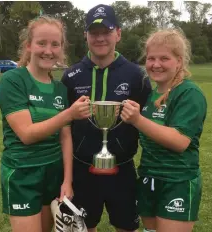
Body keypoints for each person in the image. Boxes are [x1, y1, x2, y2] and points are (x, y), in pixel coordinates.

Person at [0, 15, 90, 232]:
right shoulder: (13, 81)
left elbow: (65, 137)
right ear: (29, 45)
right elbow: (26, 134)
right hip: (22, 174)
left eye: (55, 44)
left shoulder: (60, 89)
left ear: (61, 48)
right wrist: (69, 114)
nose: (48, 50)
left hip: (53, 173)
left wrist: (67, 180)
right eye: (41, 43)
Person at [62, 4, 152, 232]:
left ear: (118, 33)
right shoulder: (71, 76)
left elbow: (148, 122)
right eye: (94, 33)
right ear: (85, 35)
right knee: (81, 227)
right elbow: (64, 127)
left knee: (126, 227)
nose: (100, 38)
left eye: (107, 32)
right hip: (82, 169)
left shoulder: (136, 75)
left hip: (122, 169)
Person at [121, 29, 207, 232]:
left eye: (164, 58)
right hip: (149, 178)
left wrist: (137, 120)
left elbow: (180, 142)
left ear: (179, 61)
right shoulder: (151, 95)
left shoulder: (189, 93)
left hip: (177, 182)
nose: (155, 64)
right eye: (151, 58)